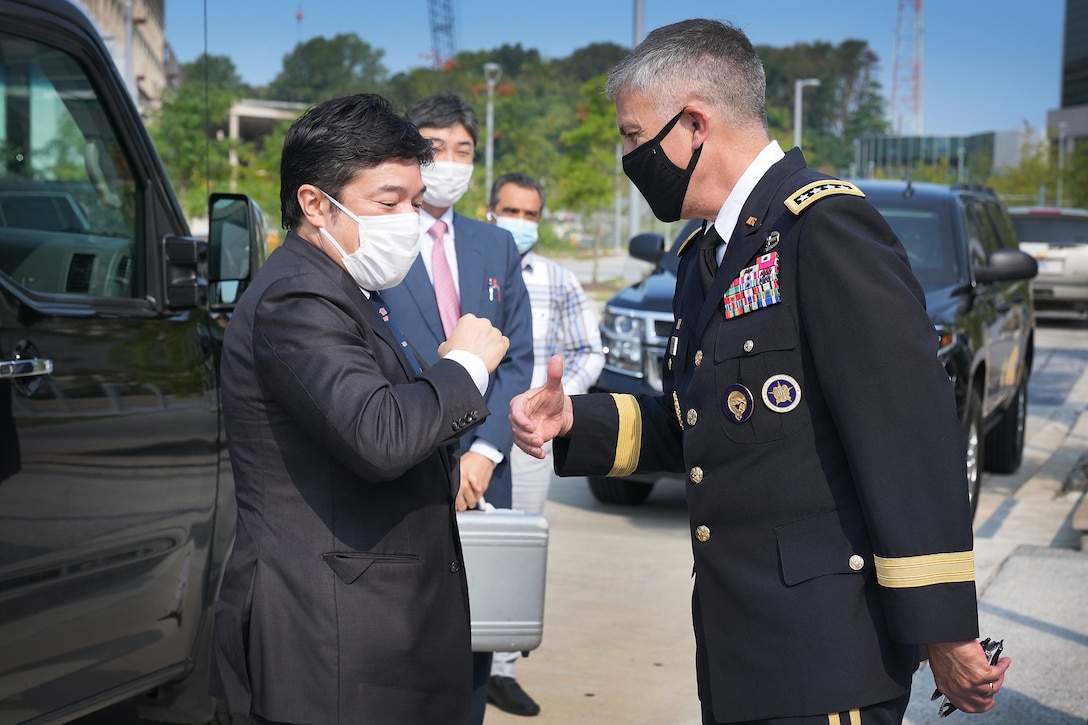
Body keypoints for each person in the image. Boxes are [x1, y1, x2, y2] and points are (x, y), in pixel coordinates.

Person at [510, 19, 1011, 725]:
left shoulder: (824, 229)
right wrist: (576, 419)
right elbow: (704, 425)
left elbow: (908, 439)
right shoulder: (704, 257)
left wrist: (945, 626)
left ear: (693, 125)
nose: (626, 155)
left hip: (824, 659)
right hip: (740, 649)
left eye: (630, 135)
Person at [210, 93, 510, 725]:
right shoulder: (297, 297)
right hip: (330, 645)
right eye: (389, 202)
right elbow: (380, 434)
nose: (411, 219)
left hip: (376, 632)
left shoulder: (348, 288)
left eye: (414, 200)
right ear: (316, 204)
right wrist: (466, 366)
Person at [381, 93, 533, 725]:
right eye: (434, 148)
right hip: (402, 465)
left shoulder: (494, 245)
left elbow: (518, 357)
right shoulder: (379, 238)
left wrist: (484, 451)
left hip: (481, 475)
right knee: (400, 630)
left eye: (463, 150)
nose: (449, 162)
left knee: (472, 626)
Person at [485, 173, 605, 717]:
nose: (520, 222)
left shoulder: (557, 280)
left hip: (532, 435)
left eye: (530, 214)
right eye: (510, 210)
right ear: (490, 211)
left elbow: (588, 350)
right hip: (468, 429)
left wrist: (559, 403)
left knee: (518, 544)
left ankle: (501, 669)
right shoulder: (475, 269)